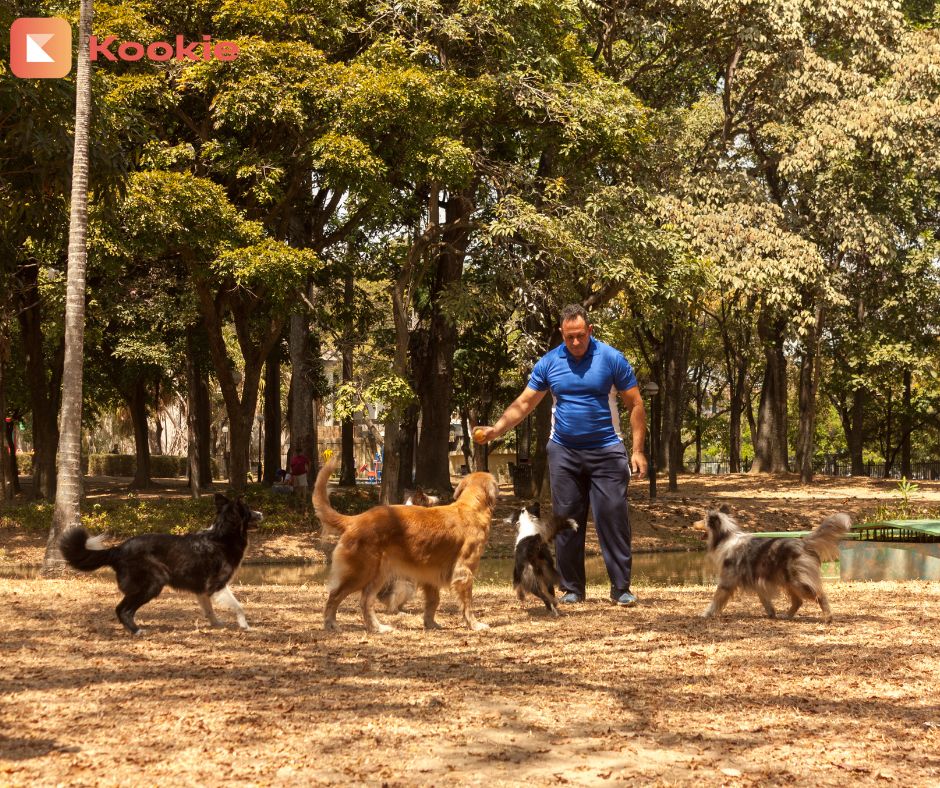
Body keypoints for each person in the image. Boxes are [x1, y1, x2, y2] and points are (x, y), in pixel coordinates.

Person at [474, 304, 648, 606]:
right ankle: (572, 589)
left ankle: (621, 588)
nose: (576, 343)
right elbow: (525, 403)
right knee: (567, 520)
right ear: (561, 334)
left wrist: (638, 450)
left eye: (581, 336)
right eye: (570, 338)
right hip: (564, 452)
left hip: (606, 450)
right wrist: (496, 431)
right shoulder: (549, 362)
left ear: (590, 331)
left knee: (612, 517)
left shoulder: (611, 359)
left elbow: (635, 404)